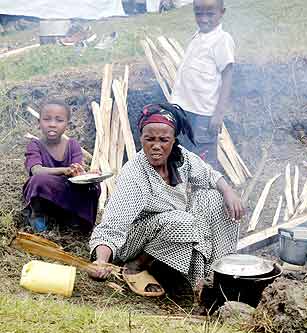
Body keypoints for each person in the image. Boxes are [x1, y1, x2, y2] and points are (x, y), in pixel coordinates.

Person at [89, 103, 243, 297]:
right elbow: (112, 226)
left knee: (214, 199)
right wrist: (101, 261)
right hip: (134, 241)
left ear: (173, 141)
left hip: (175, 229)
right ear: (141, 139)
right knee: (183, 221)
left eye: (164, 140)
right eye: (149, 139)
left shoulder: (181, 158)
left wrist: (228, 191)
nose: (156, 146)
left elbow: (209, 175)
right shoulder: (135, 173)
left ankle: (217, 274)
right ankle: (136, 267)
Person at [171, 0, 234, 169]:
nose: (204, 19)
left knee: (204, 159)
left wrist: (219, 114)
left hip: (204, 115)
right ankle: (187, 189)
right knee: (185, 153)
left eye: (210, 13)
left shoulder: (222, 40)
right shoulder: (198, 36)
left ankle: (207, 193)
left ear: (222, 12)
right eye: (198, 13)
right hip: (185, 110)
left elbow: (228, 76)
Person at [23, 100, 100, 232]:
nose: (52, 124)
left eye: (59, 120)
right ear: (39, 123)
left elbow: (77, 172)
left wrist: (87, 174)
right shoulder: (35, 145)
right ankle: (38, 214)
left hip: (65, 191)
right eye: (47, 119)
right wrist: (64, 170)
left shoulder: (73, 145)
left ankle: (73, 217)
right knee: (39, 180)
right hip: (44, 195)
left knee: (93, 186)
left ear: (67, 125)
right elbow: (36, 170)